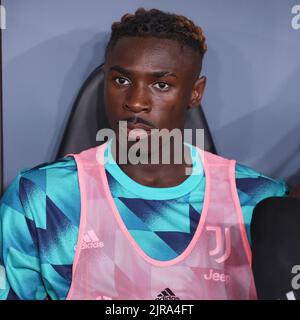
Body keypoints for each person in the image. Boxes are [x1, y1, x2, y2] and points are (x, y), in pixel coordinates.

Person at [0, 8, 288, 300]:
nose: (136, 102)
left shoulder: (259, 202)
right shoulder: (41, 199)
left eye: (161, 85)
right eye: (121, 81)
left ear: (195, 93)